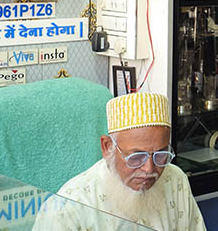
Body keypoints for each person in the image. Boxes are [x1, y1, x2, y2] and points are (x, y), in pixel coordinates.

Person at [33, 92, 205, 231]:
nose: (149, 168)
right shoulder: (67, 209)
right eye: (136, 157)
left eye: (160, 155)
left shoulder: (175, 180)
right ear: (108, 147)